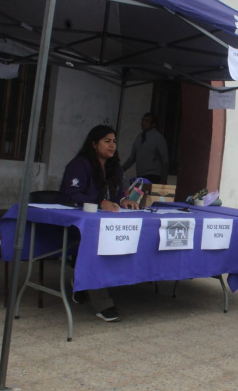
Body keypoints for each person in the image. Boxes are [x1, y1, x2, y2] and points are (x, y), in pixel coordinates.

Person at [58, 125, 139, 322]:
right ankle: (102, 302)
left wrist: (123, 201)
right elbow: (72, 195)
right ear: (94, 144)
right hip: (78, 223)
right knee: (98, 246)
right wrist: (100, 202)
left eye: (114, 141)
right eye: (107, 141)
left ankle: (80, 282)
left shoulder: (115, 166)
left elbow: (118, 194)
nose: (112, 146)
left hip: (107, 223)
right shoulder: (79, 164)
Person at [122, 112, 169, 184]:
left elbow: (165, 159)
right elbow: (132, 157)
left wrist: (164, 177)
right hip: (140, 175)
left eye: (146, 121)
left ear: (153, 124)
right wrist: (121, 169)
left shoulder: (158, 138)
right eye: (142, 120)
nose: (143, 123)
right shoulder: (139, 137)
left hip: (153, 175)